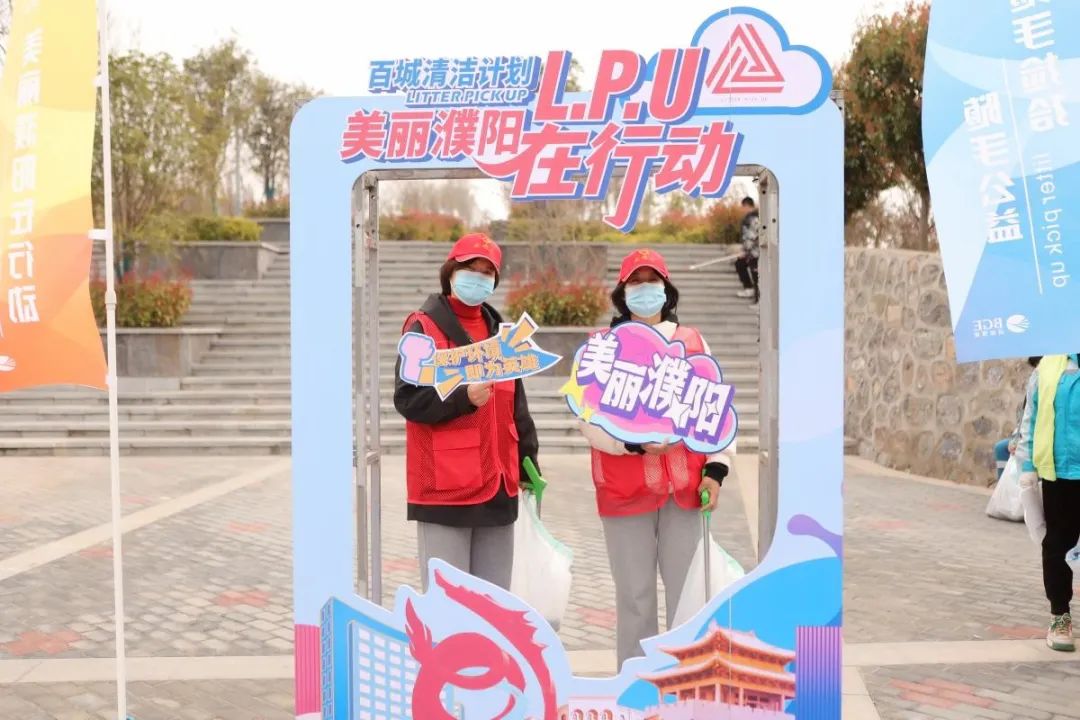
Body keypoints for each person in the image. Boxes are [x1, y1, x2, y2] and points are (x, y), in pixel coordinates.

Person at [577, 248, 736, 668]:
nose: (645, 289)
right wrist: (630, 444)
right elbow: (586, 418)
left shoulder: (693, 342)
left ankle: (688, 683)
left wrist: (716, 470)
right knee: (635, 597)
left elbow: (716, 411)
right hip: (624, 491)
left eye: (652, 281)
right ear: (622, 291)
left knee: (691, 596)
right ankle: (636, 687)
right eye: (636, 282)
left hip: (685, 489)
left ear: (667, 289)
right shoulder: (603, 347)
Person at [393, 232, 540, 592]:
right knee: (449, 605)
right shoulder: (423, 327)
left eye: (487, 272)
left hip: (499, 486)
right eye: (470, 269)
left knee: (494, 605)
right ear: (451, 272)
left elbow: (516, 405)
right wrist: (463, 398)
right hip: (446, 489)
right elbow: (407, 400)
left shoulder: (502, 335)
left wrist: (528, 463)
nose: (478, 278)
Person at [1015, 354, 1080, 652]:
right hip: (1059, 472)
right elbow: (1030, 420)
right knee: (1057, 545)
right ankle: (1060, 615)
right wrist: (1027, 468)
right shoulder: (1050, 366)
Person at [993, 356, 1043, 483]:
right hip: (1027, 435)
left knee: (1019, 451)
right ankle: (1005, 487)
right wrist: (1015, 438)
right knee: (1002, 448)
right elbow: (1024, 419)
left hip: (1040, 438)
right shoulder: (1034, 384)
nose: (1036, 369)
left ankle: (1022, 487)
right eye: (1035, 366)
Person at [734, 197, 760, 306]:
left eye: (743, 207)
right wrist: (743, 249)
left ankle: (759, 302)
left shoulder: (754, 218)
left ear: (747, 206)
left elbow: (753, 236)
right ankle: (749, 289)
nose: (742, 209)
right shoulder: (748, 218)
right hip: (749, 251)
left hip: (755, 253)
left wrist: (746, 249)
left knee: (756, 275)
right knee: (739, 263)